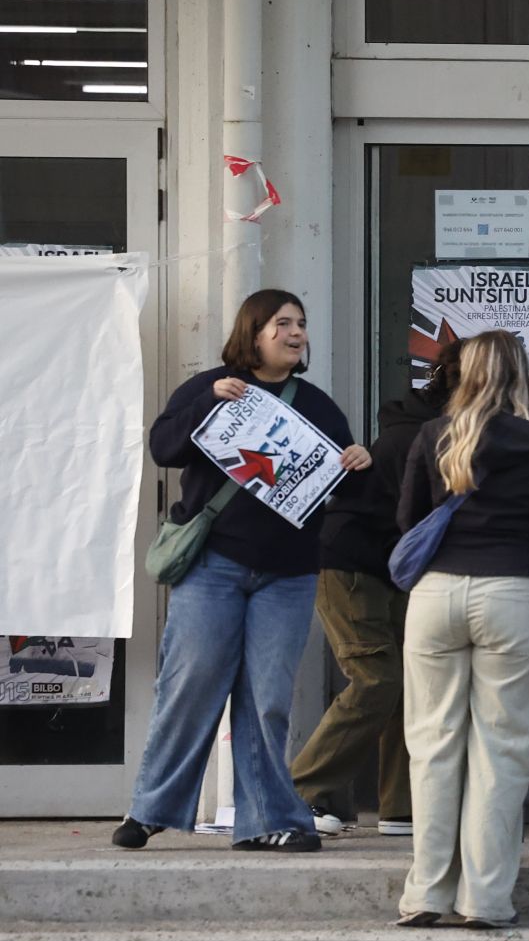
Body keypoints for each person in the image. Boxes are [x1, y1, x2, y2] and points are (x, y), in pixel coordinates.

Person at [114, 290, 370, 854]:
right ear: (253, 333)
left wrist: (359, 463)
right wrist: (208, 400)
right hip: (213, 567)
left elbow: (339, 487)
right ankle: (150, 809)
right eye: (283, 323)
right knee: (191, 685)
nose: (296, 332)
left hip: (289, 575)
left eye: (301, 323)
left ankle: (268, 820)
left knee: (269, 700)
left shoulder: (319, 405)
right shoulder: (213, 387)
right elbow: (162, 447)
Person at [394, 330, 529, 928]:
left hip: (437, 597)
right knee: (502, 753)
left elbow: (407, 523)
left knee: (431, 748)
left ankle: (426, 893)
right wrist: (523, 573)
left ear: (465, 373)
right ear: (522, 371)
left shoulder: (433, 436)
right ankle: (486, 901)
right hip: (514, 593)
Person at [290, 340, 466, 839]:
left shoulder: (423, 429)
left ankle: (401, 807)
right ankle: (298, 791)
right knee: (377, 680)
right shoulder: (430, 437)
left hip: (387, 568)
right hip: (351, 565)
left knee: (407, 682)